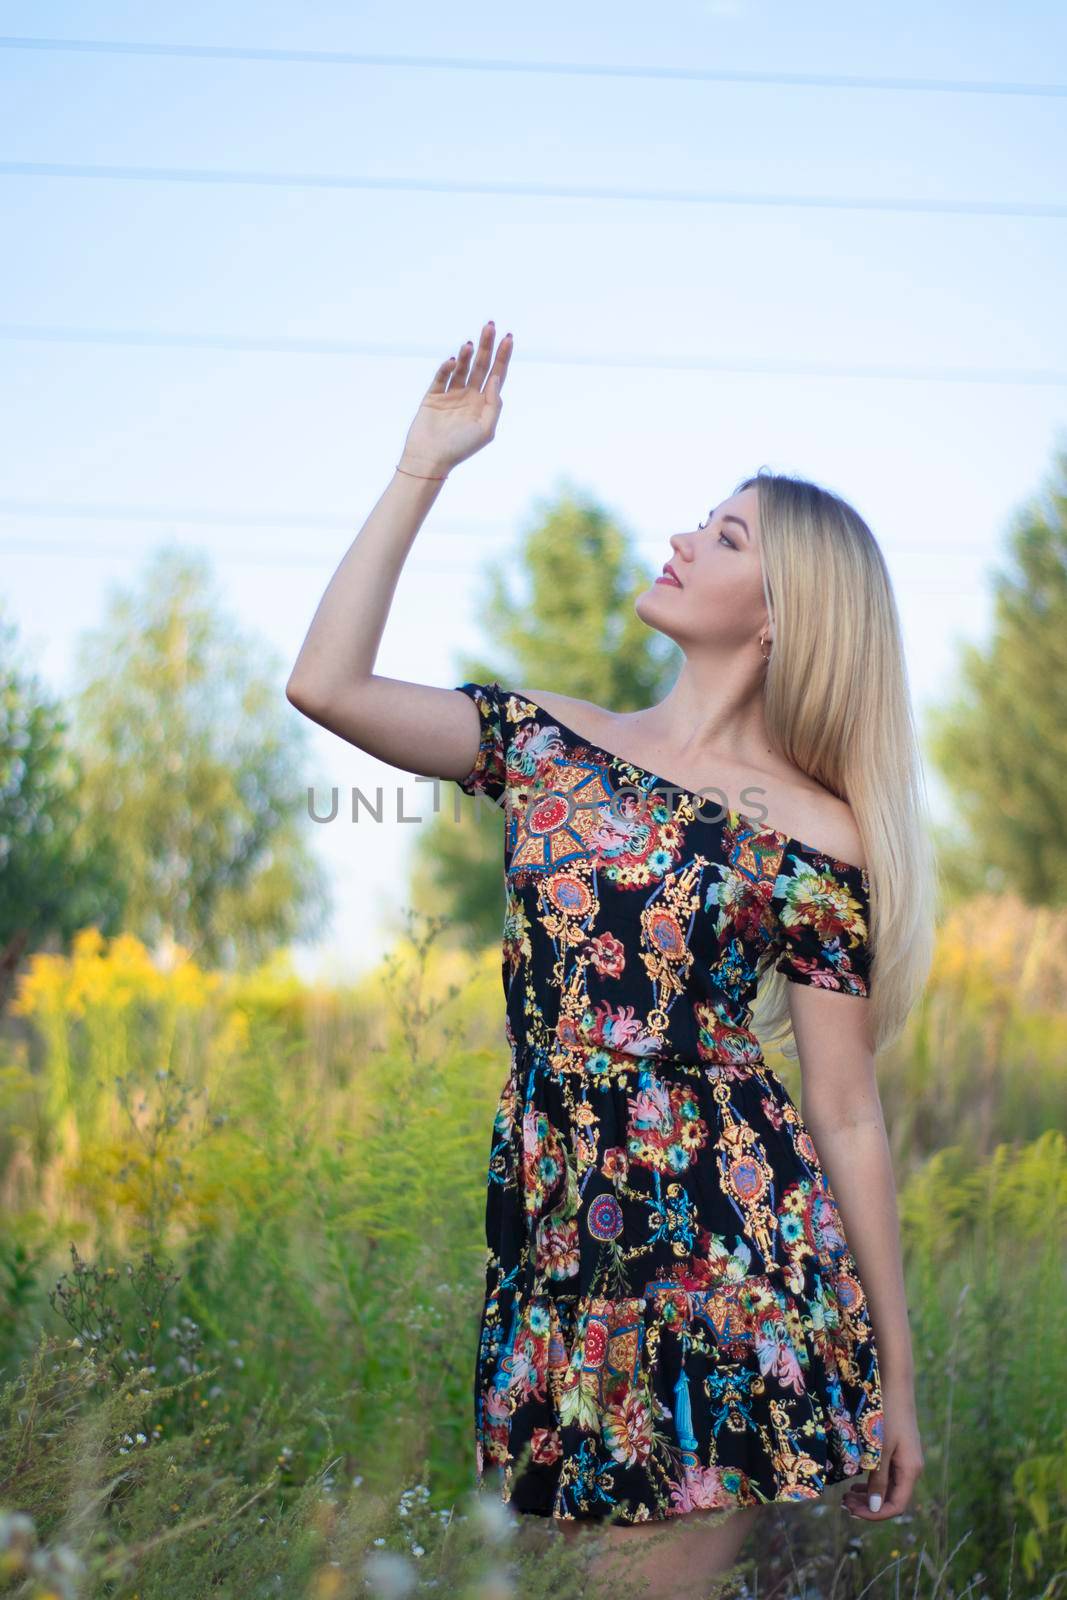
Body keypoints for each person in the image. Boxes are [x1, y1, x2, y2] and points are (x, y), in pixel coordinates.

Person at [285, 322, 935, 1598]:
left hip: (727, 1258)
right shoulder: (545, 745)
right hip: (556, 1238)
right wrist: (424, 466)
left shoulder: (814, 834)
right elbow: (325, 682)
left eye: (727, 536)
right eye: (703, 518)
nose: (684, 537)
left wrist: (898, 1379)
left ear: (780, 613)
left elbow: (843, 1110)